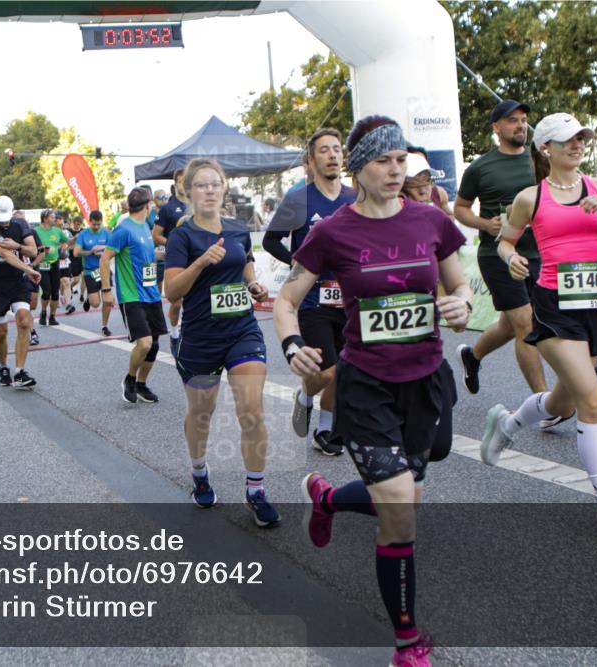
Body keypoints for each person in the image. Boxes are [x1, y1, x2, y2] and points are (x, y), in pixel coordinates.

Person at [275, 116, 471, 667]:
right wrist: (293, 347)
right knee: (401, 508)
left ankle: (330, 498)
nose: (395, 170)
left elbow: (459, 285)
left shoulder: (432, 222)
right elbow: (288, 299)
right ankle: (407, 643)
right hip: (366, 386)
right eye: (383, 161)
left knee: (409, 491)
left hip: (426, 381)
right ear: (359, 168)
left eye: (400, 160)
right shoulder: (332, 231)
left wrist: (459, 305)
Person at [480, 112, 597, 535]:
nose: (578, 145)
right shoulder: (530, 197)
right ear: (547, 148)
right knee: (591, 401)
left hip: (594, 306)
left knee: (563, 402)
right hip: (553, 303)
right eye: (568, 140)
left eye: (582, 138)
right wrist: (512, 259)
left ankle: (507, 423)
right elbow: (504, 240)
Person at [164, 158, 277, 527]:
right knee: (201, 414)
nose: (210, 190)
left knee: (251, 410)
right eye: (202, 185)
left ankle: (256, 491)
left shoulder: (238, 229)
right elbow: (172, 289)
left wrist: (252, 284)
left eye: (215, 184)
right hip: (200, 337)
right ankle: (199, 471)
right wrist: (200, 264)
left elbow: (244, 262)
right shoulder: (183, 236)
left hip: (241, 331)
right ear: (189, 192)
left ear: (224, 189)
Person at [454, 100, 559, 427]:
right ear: (496, 127)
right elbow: (460, 208)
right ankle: (544, 405)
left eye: (524, 120)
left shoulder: (540, 162)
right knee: (525, 323)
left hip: (539, 254)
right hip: (497, 255)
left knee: (511, 324)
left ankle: (472, 356)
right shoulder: (480, 168)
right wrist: (485, 225)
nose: (520, 126)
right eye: (512, 120)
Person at [264, 128, 357, 456]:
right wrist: (303, 264)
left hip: (348, 299)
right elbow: (270, 240)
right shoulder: (298, 199)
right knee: (327, 370)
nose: (332, 155)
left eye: (337, 150)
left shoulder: (353, 198)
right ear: (310, 160)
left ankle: (324, 429)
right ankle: (305, 396)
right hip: (311, 299)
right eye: (324, 151)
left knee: (342, 369)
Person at [101, 188, 167, 404]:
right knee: (145, 342)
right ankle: (130, 378)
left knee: (154, 344)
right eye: (153, 204)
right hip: (132, 295)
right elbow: (105, 258)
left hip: (152, 293)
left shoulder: (146, 227)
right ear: (147, 205)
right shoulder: (123, 229)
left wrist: (171, 251)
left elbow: (148, 255)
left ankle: (141, 384)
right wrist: (106, 290)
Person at [0, 195, 42, 388]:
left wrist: (18, 246)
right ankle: (3, 366)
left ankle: (19, 372)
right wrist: (29, 269)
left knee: (24, 320)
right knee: (1, 332)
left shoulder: (21, 224)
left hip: (17, 281)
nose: (4, 221)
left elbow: (33, 251)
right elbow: (5, 254)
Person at [152, 169, 190, 355]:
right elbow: (156, 235)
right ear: (175, 185)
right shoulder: (168, 208)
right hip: (176, 259)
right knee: (176, 301)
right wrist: (175, 244)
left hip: (197, 259)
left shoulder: (198, 205)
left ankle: (192, 335)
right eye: (182, 181)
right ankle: (175, 334)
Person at [75, 210, 114, 335]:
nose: (96, 227)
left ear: (102, 222)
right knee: (96, 303)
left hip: (105, 270)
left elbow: (114, 250)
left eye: (99, 224)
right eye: (94, 225)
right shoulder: (83, 234)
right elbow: (76, 252)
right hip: (90, 271)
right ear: (89, 222)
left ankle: (104, 326)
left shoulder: (107, 234)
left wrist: (104, 251)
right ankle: (89, 299)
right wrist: (90, 252)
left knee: (108, 300)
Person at [35, 210, 68, 327]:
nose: (55, 219)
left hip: (55, 264)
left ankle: (53, 316)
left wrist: (65, 245)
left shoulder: (57, 231)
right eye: (52, 217)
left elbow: (67, 241)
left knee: (55, 292)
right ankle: (43, 312)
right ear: (45, 218)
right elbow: (30, 247)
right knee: (47, 291)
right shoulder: (36, 231)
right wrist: (41, 249)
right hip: (42, 264)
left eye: (55, 217)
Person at [402, 150, 454, 218]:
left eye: (427, 180)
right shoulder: (395, 205)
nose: (422, 191)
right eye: (414, 184)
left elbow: (450, 214)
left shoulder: (439, 193)